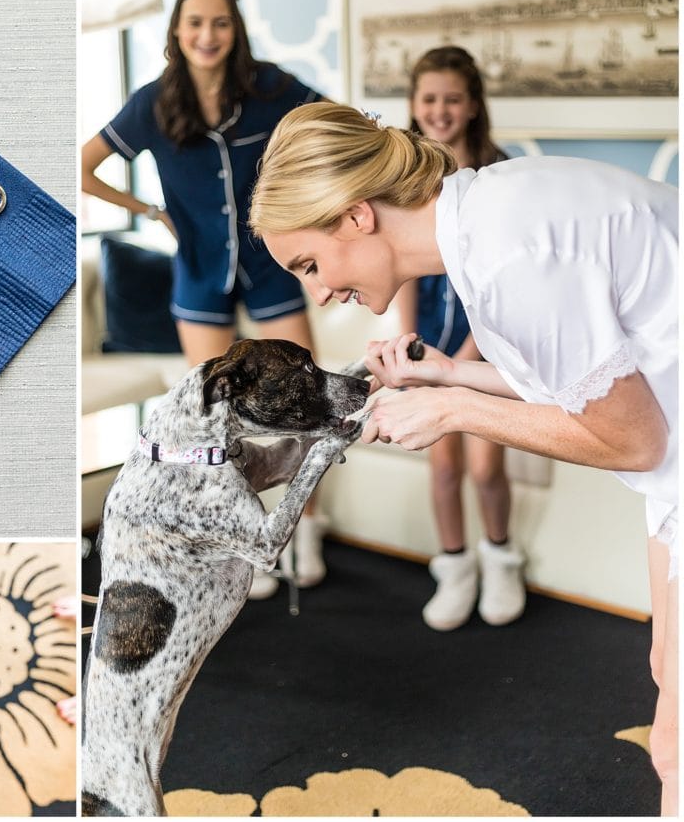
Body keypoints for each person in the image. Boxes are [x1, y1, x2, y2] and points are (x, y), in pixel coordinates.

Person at [248, 101, 678, 814]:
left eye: (310, 263)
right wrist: (447, 375)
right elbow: (588, 379)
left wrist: (453, 411)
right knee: (668, 671)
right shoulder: (484, 218)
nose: (319, 291)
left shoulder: (505, 256)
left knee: (676, 744)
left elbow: (635, 438)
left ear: (358, 215)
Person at [82, 0, 327, 598]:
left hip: (271, 263)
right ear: (177, 29)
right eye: (195, 22)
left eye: (219, 22)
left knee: (305, 405)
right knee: (215, 420)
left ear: (234, 27)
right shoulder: (152, 103)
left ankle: (307, 528)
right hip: (197, 271)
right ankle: (240, 537)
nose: (208, 34)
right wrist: (147, 213)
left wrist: (308, 207)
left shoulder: (272, 88)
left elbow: (334, 129)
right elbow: (83, 167)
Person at [399, 47, 520, 632]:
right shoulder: (407, 174)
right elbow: (402, 268)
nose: (440, 111)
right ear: (414, 106)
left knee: (483, 466)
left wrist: (462, 359)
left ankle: (501, 557)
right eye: (429, 100)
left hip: (488, 344)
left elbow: (504, 279)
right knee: (442, 467)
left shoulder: (501, 173)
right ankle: (455, 566)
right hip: (430, 342)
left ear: (472, 105)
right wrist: (407, 343)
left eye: (452, 99)